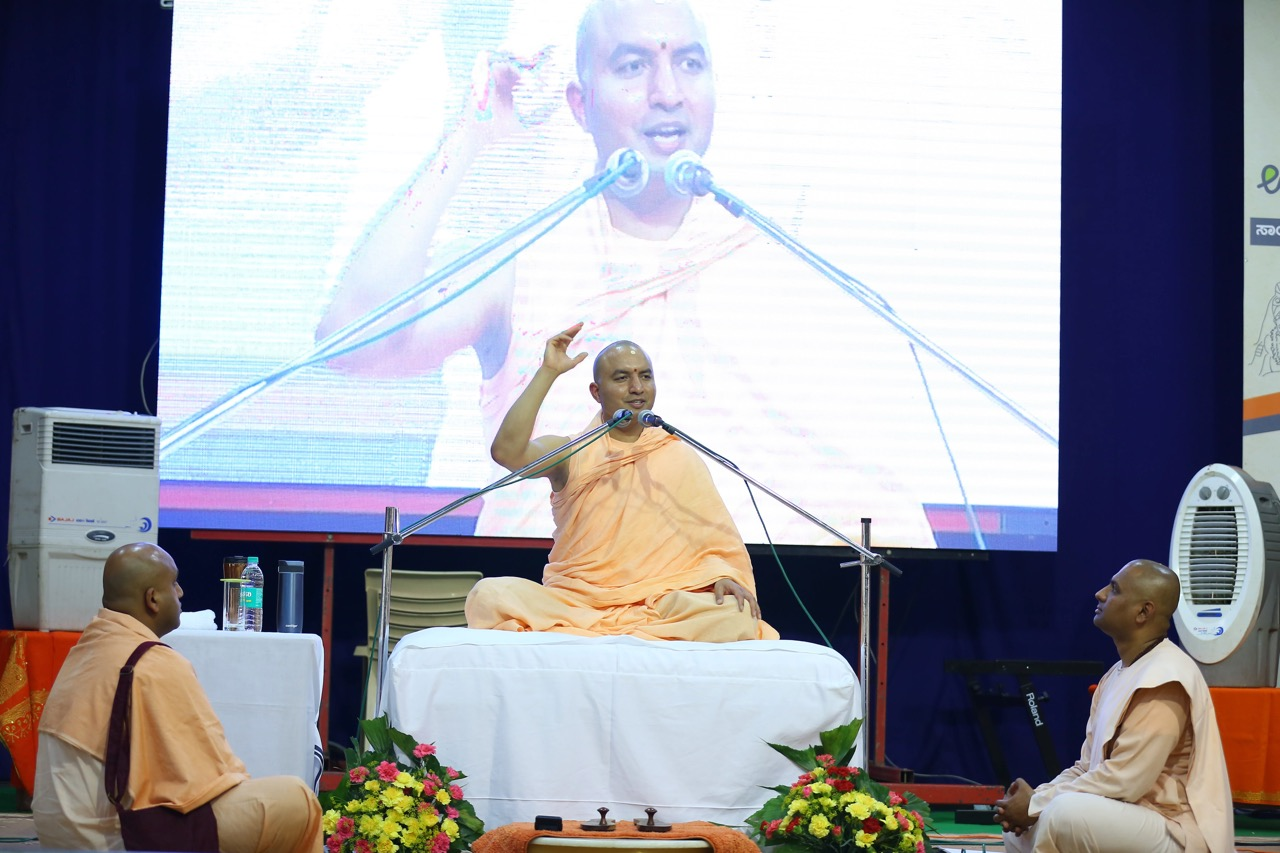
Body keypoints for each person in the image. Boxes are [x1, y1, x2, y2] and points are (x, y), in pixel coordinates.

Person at [315, 0, 949, 549]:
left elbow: (864, 497)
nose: (668, 91)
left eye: (689, 64)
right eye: (632, 66)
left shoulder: (773, 260)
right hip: (563, 615)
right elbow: (351, 340)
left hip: (733, 618)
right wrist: (469, 135)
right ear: (580, 103)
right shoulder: (524, 260)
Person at [465, 323, 780, 641]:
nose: (637, 387)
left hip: (658, 602)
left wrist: (721, 575)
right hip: (576, 603)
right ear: (596, 392)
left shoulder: (678, 454)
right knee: (488, 595)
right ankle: (633, 640)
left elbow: (712, 541)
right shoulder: (573, 452)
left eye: (645, 376)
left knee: (735, 614)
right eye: (622, 378)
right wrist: (548, 372)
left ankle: (604, 638)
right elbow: (507, 452)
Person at [32, 542, 323, 852]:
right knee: (297, 800)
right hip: (115, 837)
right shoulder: (153, 662)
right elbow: (209, 779)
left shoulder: (85, 649)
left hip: (58, 836)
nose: (181, 592)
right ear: (152, 599)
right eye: (174, 584)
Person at [993, 559, 1233, 853]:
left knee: (1062, 815)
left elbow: (1125, 781)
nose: (1100, 594)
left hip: (1173, 829)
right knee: (1020, 830)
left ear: (1143, 612)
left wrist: (1036, 804)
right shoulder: (1116, 674)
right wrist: (1032, 799)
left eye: (1114, 589)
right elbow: (1086, 767)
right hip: (1128, 817)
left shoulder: (1166, 677)